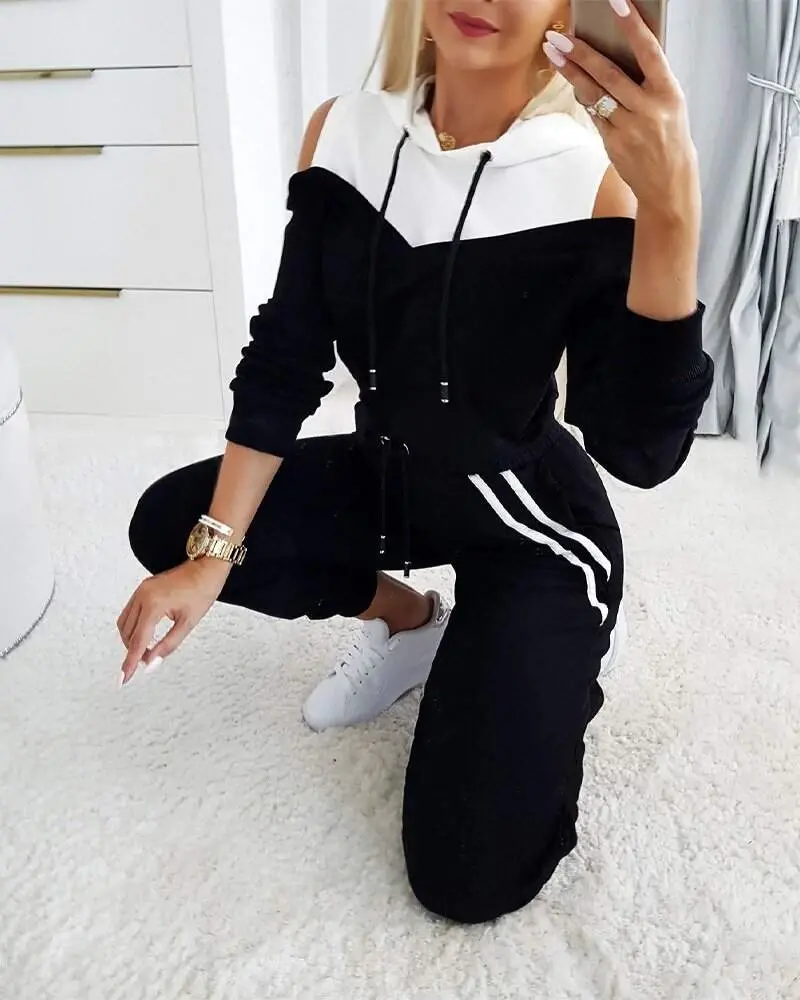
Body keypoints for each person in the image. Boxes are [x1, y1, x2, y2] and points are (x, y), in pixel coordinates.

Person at [118, 0, 713, 924]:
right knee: (179, 527)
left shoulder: (595, 177)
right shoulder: (342, 133)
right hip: (389, 479)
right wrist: (211, 556)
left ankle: (564, 643)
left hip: (529, 525)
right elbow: (285, 360)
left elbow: (640, 451)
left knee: (467, 876)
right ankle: (411, 622)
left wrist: (670, 207)